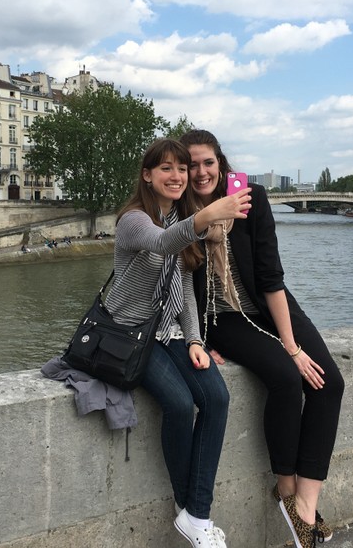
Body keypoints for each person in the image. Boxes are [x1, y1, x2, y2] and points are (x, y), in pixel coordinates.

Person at [179, 129, 344, 548]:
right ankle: (286, 489)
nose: (200, 172)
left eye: (208, 162)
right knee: (287, 380)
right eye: (192, 164)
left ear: (221, 162)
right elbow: (176, 281)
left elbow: (270, 276)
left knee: (328, 382)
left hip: (270, 303)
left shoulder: (251, 197)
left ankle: (305, 504)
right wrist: (195, 337)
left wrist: (293, 346)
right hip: (222, 318)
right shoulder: (182, 212)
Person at [104, 138, 250, 548]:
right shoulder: (134, 220)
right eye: (166, 168)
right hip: (130, 335)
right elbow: (161, 244)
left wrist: (194, 340)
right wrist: (209, 214)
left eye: (181, 169)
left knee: (217, 398)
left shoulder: (180, 219)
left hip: (168, 333)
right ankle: (195, 514)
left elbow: (185, 286)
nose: (178, 176)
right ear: (147, 176)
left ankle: (194, 516)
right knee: (180, 404)